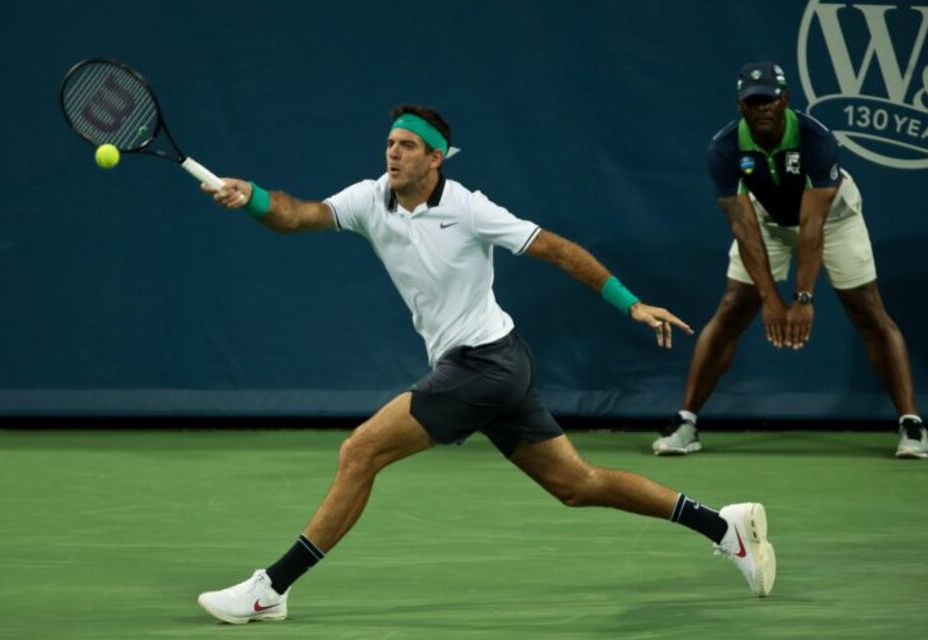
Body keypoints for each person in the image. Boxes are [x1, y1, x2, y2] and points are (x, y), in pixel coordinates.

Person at [196, 105, 776, 625]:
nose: (392, 153)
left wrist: (631, 303)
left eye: (406, 145)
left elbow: (555, 248)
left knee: (360, 451)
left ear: (436, 157)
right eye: (389, 143)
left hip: (486, 362)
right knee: (578, 485)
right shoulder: (370, 199)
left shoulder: (470, 209)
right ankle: (724, 527)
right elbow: (300, 215)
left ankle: (272, 588)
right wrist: (255, 199)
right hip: (496, 363)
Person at [653, 62, 926, 459]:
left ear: (786, 100)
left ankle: (912, 425)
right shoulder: (725, 148)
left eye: (770, 99)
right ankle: (686, 422)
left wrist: (802, 298)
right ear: (741, 106)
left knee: (869, 311)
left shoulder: (816, 139)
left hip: (833, 221)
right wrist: (769, 298)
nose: (762, 108)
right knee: (732, 308)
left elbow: (812, 226)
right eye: (753, 101)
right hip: (766, 222)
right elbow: (744, 228)